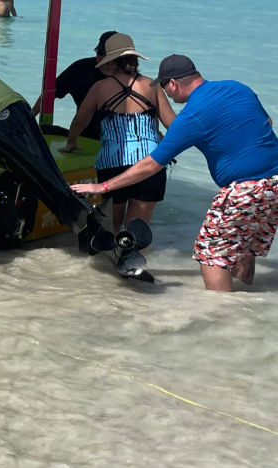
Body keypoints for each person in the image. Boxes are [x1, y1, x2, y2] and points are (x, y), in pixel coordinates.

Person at [72, 55, 278, 292]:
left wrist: (103, 186)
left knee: (211, 254)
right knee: (242, 246)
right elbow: (268, 122)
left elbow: (152, 164)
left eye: (164, 87)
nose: (167, 94)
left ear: (173, 84)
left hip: (246, 188)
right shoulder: (237, 88)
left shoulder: (192, 116)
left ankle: (223, 316)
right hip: (275, 182)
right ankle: (247, 300)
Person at [59, 33, 175, 232]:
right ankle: (135, 257)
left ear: (112, 61)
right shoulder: (152, 86)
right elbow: (173, 125)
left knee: (112, 225)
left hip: (113, 164)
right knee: (137, 228)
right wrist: (163, 147)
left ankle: (109, 256)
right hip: (150, 164)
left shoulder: (100, 88)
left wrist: (71, 143)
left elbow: (79, 121)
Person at [31, 30, 118, 139]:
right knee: (42, 130)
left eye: (109, 56)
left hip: (114, 140)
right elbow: (50, 92)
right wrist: (30, 117)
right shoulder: (81, 69)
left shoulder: (128, 79)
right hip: (82, 136)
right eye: (99, 53)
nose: (102, 59)